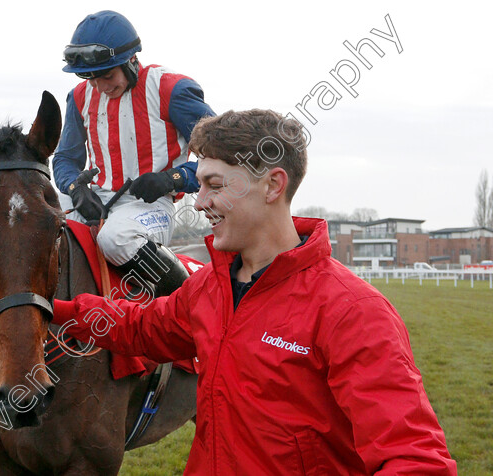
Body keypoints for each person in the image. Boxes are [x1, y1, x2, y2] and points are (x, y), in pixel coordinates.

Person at [52, 110, 457, 474]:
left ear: (272, 185)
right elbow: (142, 328)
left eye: (214, 185)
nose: (200, 202)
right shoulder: (210, 287)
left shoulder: (353, 311)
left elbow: (415, 458)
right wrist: (52, 311)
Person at [54, 10, 215, 296]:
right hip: (95, 199)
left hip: (150, 206)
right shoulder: (78, 97)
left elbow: (220, 156)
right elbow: (65, 158)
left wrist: (173, 179)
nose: (101, 87)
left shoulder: (171, 89)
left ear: (131, 60)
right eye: (91, 79)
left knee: (116, 239)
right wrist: (74, 188)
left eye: (107, 76)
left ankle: (191, 302)